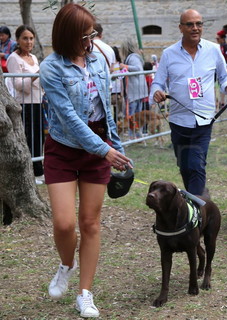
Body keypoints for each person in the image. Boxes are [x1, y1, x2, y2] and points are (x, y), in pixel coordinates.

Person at [39, 3, 132, 318]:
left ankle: (85, 294)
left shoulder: (99, 60)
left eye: (92, 34)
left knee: (90, 224)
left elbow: (106, 109)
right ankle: (66, 264)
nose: (90, 40)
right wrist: (104, 150)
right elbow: (68, 119)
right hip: (64, 146)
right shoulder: (51, 68)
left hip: (100, 144)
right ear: (68, 36)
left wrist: (116, 147)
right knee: (64, 223)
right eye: (84, 35)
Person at [150, 9, 227, 196]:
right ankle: (194, 199)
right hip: (178, 121)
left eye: (199, 24)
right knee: (184, 166)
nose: (195, 28)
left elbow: (224, 76)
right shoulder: (168, 54)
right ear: (181, 27)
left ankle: (196, 211)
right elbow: (158, 81)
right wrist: (157, 91)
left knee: (197, 165)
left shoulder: (213, 50)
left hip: (204, 119)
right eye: (190, 24)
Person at [6, 25, 44, 185]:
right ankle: (30, 172)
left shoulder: (34, 58)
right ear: (18, 40)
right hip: (24, 103)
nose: (29, 42)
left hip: (37, 101)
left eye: (31, 38)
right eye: (25, 38)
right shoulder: (13, 58)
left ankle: (38, 170)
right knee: (28, 137)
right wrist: (36, 75)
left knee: (39, 136)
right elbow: (20, 85)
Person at [120, 38, 148, 139]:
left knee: (132, 114)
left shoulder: (132, 57)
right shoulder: (136, 57)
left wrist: (124, 66)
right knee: (137, 114)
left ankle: (133, 135)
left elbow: (137, 69)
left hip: (134, 91)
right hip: (138, 90)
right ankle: (137, 134)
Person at [110, 46, 125, 120]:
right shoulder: (109, 64)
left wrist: (122, 91)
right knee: (111, 110)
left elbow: (122, 77)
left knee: (117, 110)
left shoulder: (120, 65)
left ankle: (117, 126)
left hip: (118, 89)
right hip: (111, 89)